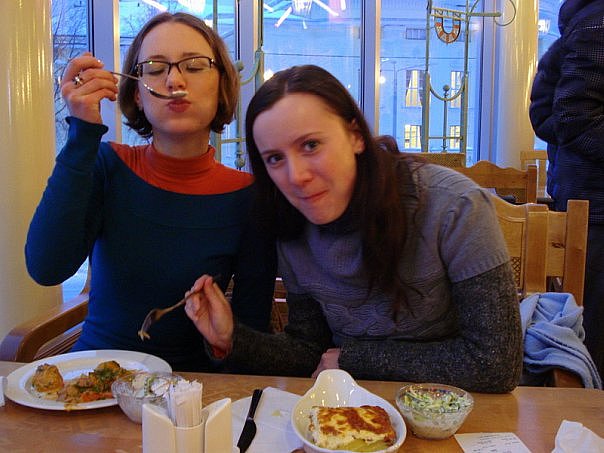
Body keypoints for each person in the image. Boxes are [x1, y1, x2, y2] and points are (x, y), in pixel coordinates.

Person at [184, 65, 523, 393]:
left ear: (356, 136)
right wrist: (231, 338)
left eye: (311, 145)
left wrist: (354, 360)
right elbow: (310, 350)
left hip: (455, 414)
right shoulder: (292, 229)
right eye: (275, 158)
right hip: (349, 413)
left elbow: (496, 363)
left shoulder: (454, 207)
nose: (296, 176)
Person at [25, 12, 276, 371]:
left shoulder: (249, 198)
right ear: (138, 95)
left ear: (221, 85)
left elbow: (252, 335)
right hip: (94, 378)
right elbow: (46, 267)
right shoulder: (108, 166)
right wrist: (81, 132)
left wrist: (224, 345)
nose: (174, 80)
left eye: (194, 66)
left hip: (192, 391)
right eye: (155, 68)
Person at [529, 0, 604, 378]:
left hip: (585, 199)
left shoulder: (588, 22)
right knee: (594, 342)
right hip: (596, 208)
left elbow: (552, 115)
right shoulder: (598, 23)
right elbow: (574, 117)